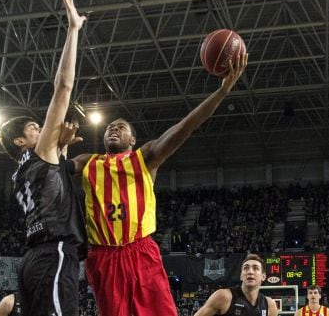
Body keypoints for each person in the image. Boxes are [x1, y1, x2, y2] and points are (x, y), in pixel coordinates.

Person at [67, 53, 248, 316]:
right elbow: (53, 173)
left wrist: (222, 92)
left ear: (133, 139)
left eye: (120, 127)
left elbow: (185, 127)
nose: (113, 129)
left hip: (139, 249)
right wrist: (58, 147)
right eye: (109, 128)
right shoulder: (86, 162)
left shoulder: (146, 157)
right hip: (103, 256)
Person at [0, 0, 87, 316]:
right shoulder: (40, 153)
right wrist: (73, 30)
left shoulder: (20, 171)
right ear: (21, 141)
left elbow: (50, 187)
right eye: (34, 127)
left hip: (32, 261)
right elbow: (63, 87)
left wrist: (61, 151)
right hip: (54, 254)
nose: (41, 128)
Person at [194, 253, 279, 316]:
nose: (250, 272)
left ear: (263, 276)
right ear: (241, 276)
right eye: (246, 268)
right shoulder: (224, 296)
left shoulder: (270, 305)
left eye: (255, 268)